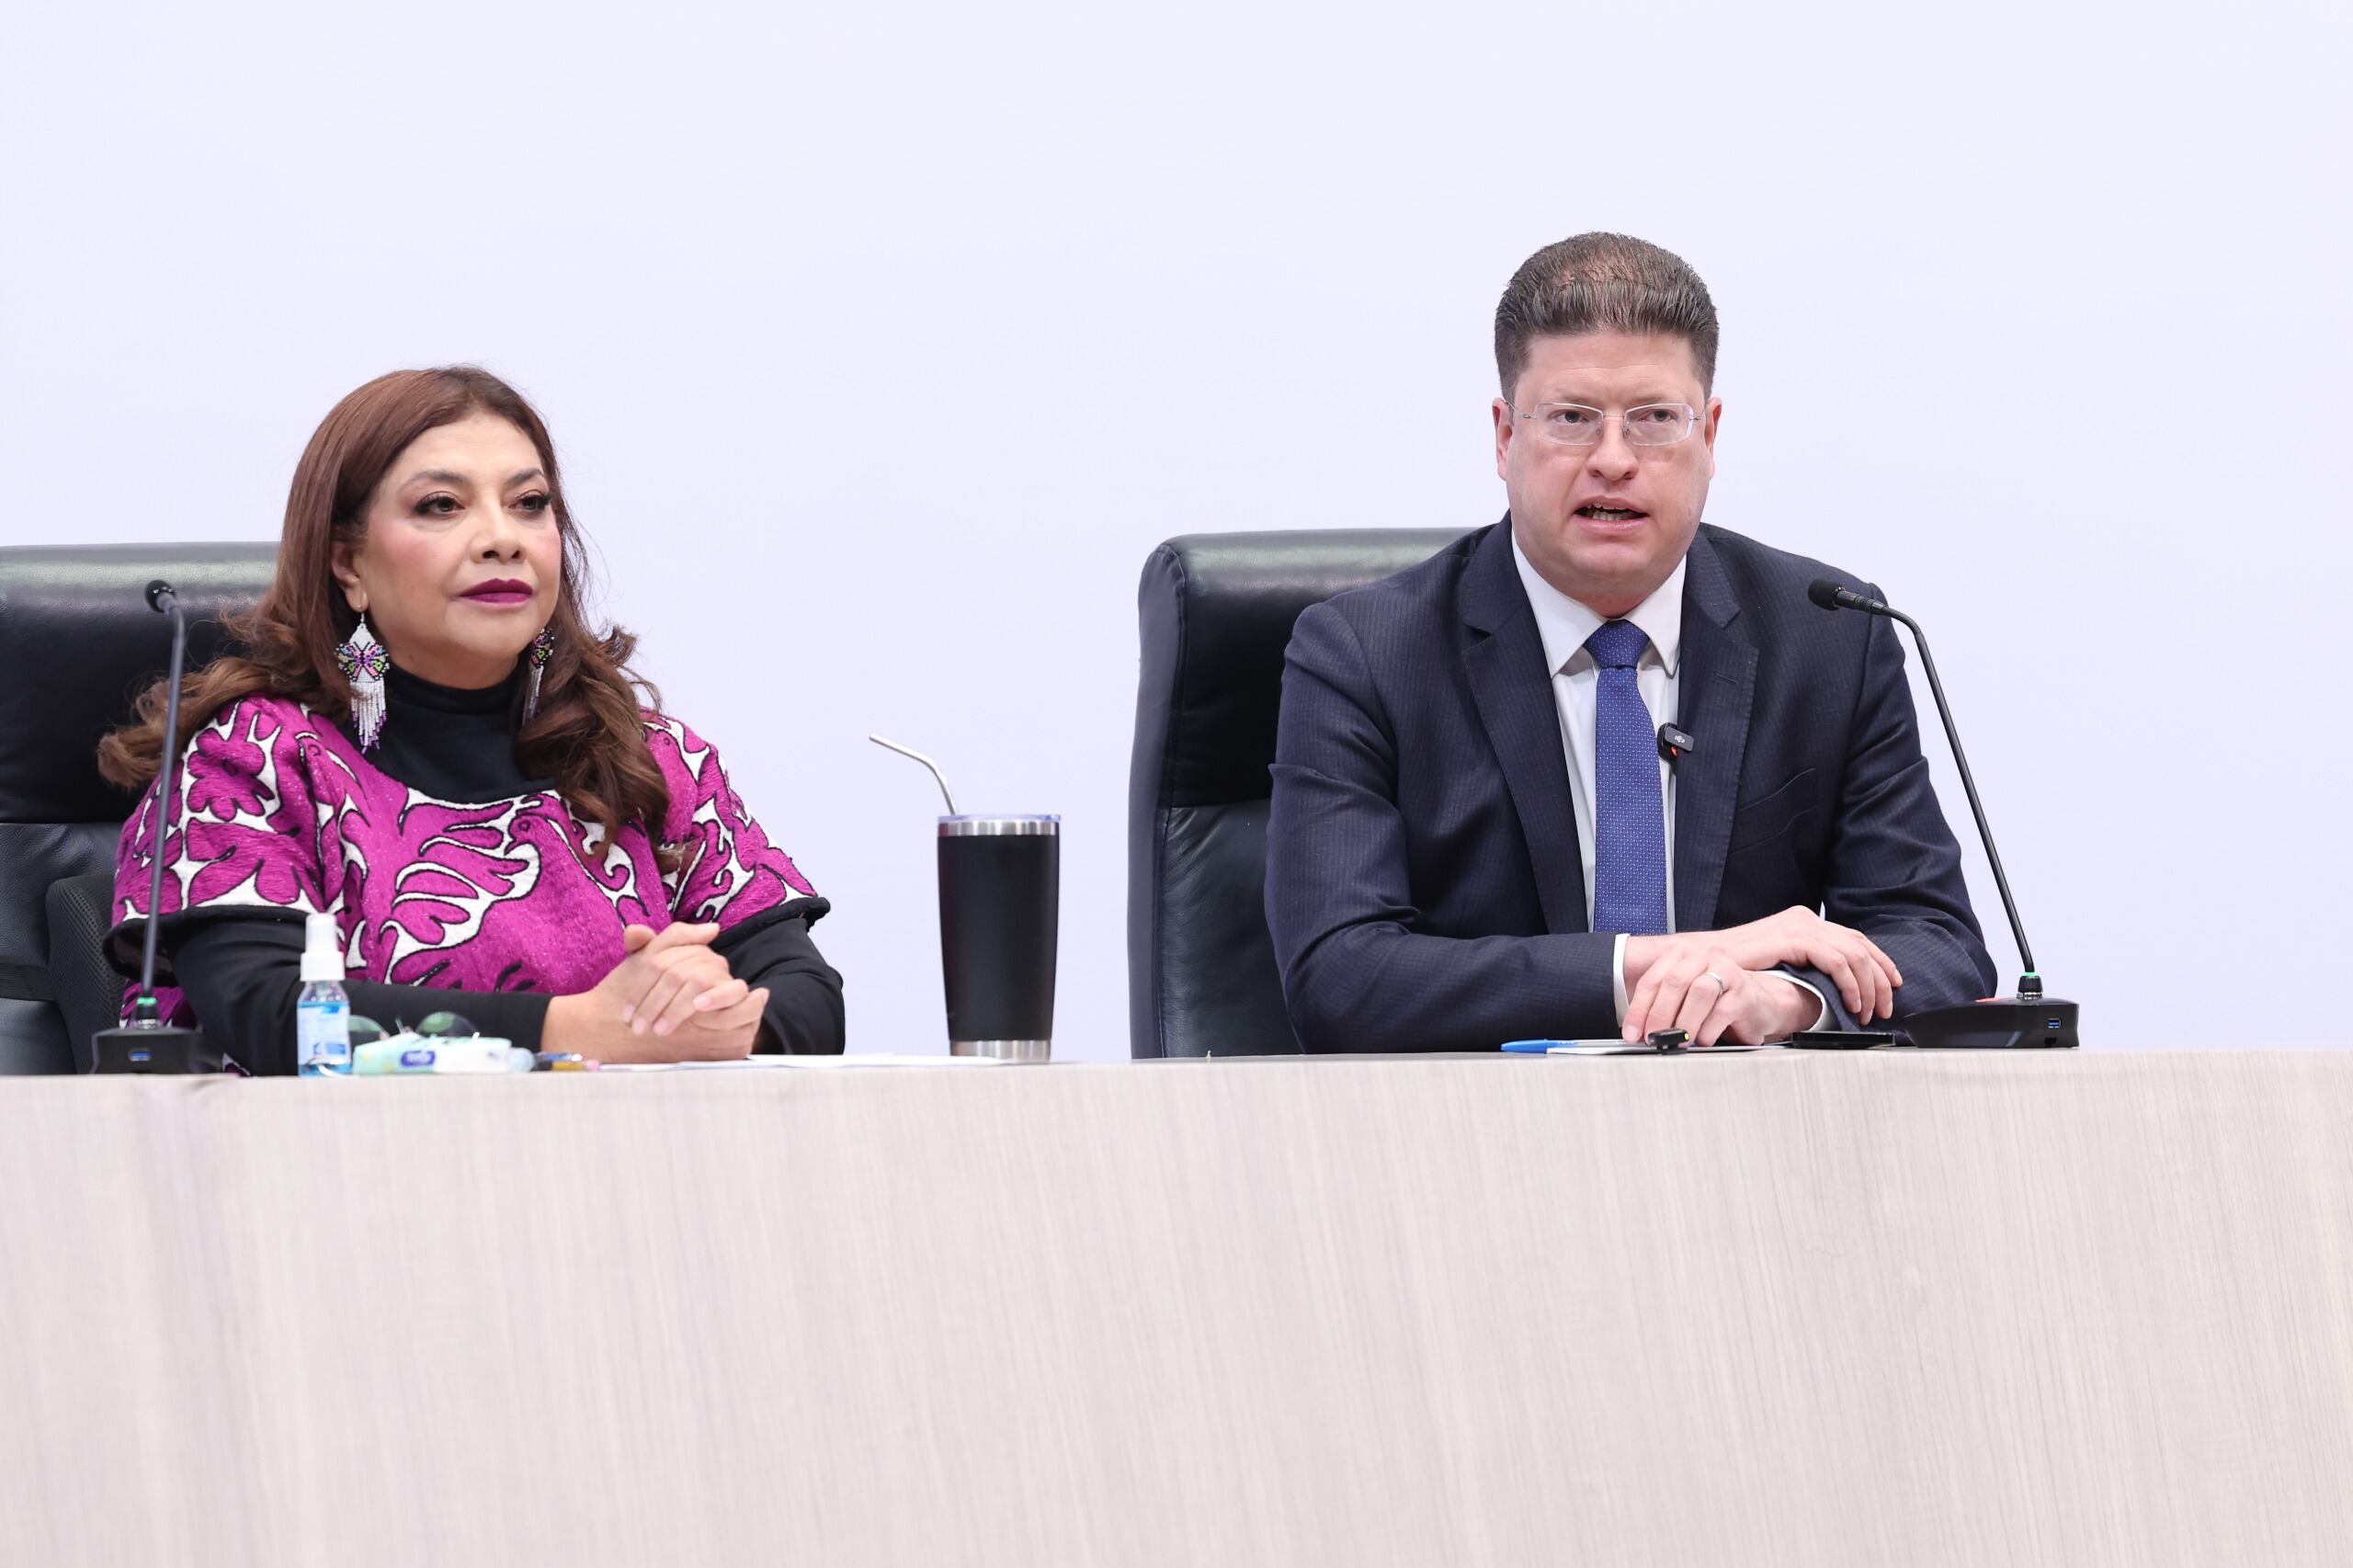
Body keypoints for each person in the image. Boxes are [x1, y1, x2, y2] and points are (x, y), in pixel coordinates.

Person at [1265, 233, 1994, 1052]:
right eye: (1572, 418)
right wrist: (1659, 965)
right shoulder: (1365, 655)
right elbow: (1340, 978)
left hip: (1745, 1122)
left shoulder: (1830, 637)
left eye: (1654, 420)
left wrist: (1785, 997)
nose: (1613, 460)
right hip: (1481, 1122)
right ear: (1504, 437)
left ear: (1709, 437)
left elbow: (1939, 946)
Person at [99, 366, 843, 1071]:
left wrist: (712, 1019)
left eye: (529, 504)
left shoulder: (649, 758)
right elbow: (267, 1011)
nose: (502, 538)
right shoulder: (254, 759)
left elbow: (809, 998)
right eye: (442, 506)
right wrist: (582, 1030)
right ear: (348, 564)